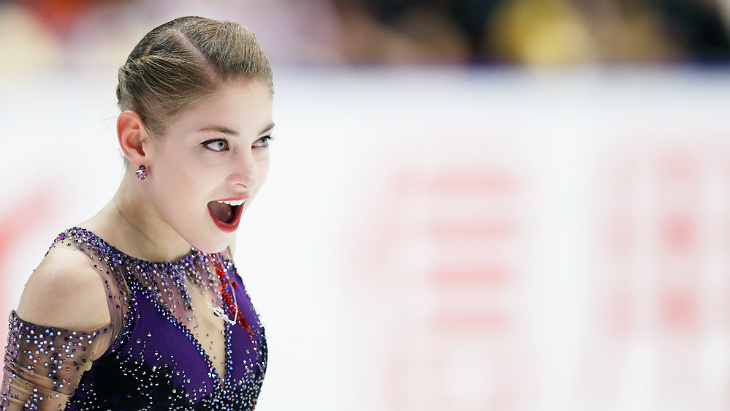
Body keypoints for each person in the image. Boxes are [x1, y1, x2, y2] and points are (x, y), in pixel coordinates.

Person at [0, 16, 274, 410]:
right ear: (137, 141)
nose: (248, 176)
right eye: (217, 144)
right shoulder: (78, 281)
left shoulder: (211, 244)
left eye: (262, 140)